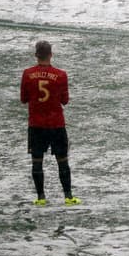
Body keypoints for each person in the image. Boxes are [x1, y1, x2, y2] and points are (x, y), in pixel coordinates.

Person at [20, 41, 80, 207]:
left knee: (37, 162)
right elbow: (65, 100)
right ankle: (68, 197)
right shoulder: (61, 75)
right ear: (51, 55)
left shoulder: (27, 74)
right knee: (63, 161)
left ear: (36, 55)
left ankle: (41, 198)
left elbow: (23, 99)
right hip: (56, 124)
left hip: (36, 124)